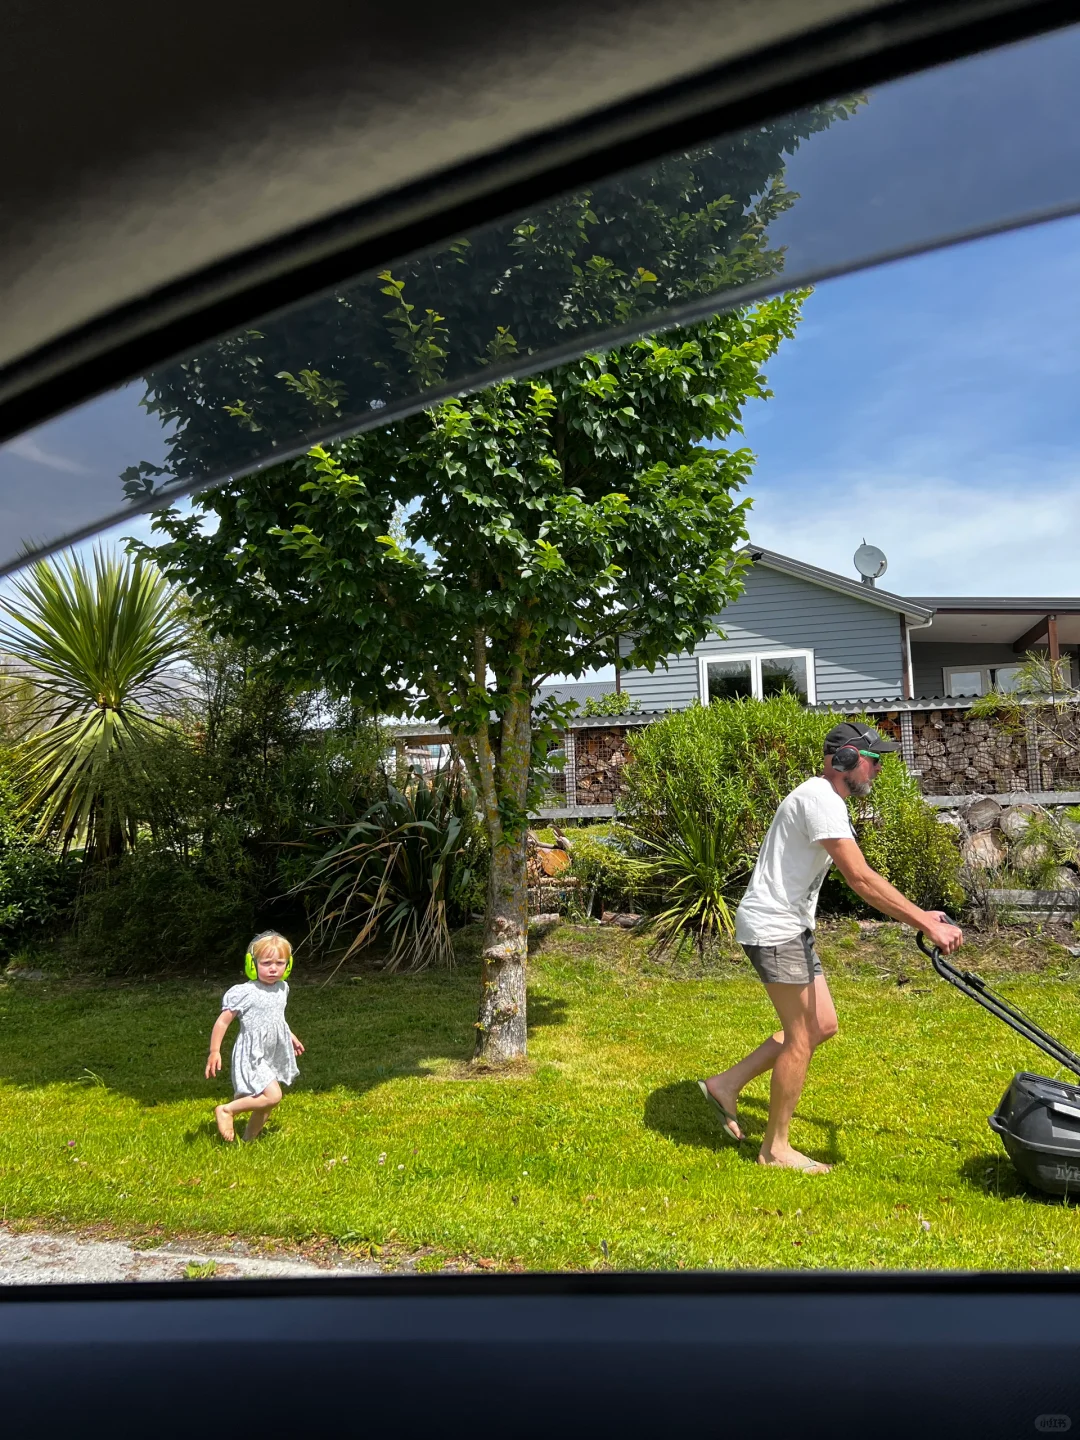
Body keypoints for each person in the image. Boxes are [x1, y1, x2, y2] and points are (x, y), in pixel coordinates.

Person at [700, 721, 962, 1175]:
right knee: (801, 1036)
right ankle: (775, 1150)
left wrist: (922, 914)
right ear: (846, 759)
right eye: (873, 760)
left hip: (789, 926)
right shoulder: (821, 799)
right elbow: (860, 878)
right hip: (774, 928)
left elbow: (862, 876)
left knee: (822, 1024)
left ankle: (726, 1084)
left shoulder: (824, 799)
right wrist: (923, 922)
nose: (878, 770)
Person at [205, 930, 305, 1143]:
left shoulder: (282, 988)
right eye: (266, 963)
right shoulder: (245, 992)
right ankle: (227, 1110)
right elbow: (223, 1022)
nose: (273, 968)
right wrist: (214, 1051)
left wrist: (290, 1036)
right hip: (252, 1054)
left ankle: (248, 1141)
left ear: (288, 965)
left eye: (280, 963)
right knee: (273, 1096)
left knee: (266, 1103)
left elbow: (277, 1018)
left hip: (271, 1052)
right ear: (252, 964)